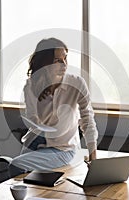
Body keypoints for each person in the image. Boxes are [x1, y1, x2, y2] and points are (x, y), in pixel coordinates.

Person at [8, 37, 98, 178]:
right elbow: (33, 119)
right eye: (58, 61)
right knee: (21, 178)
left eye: (65, 59)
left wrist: (93, 157)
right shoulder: (31, 86)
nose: (64, 64)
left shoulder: (76, 83)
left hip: (63, 148)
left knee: (16, 165)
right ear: (45, 64)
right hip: (36, 142)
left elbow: (88, 120)